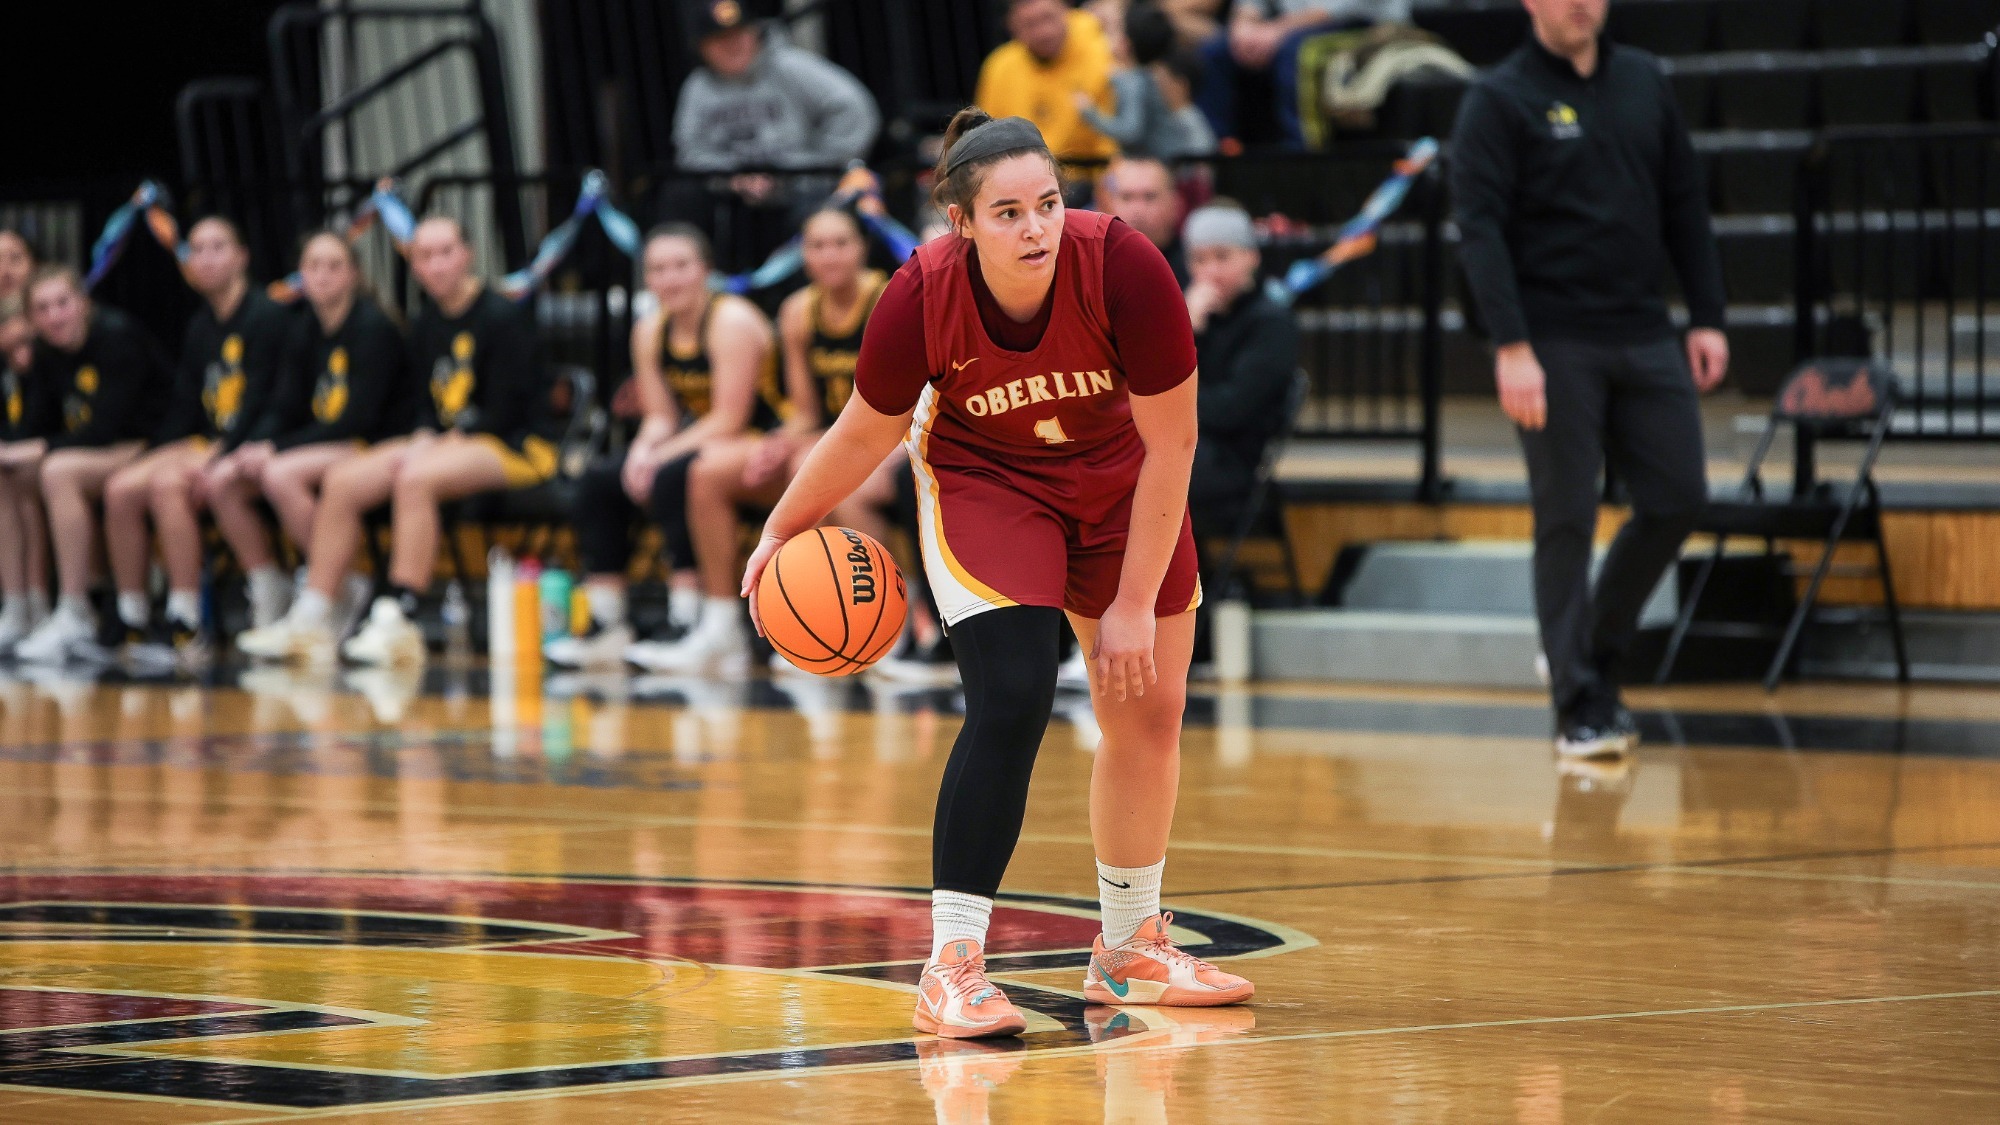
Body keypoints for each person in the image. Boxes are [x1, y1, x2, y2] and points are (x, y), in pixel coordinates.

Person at [740, 110, 1254, 1039]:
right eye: (1010, 212)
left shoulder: (1125, 266)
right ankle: (952, 965)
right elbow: (866, 428)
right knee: (1013, 694)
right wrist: (783, 526)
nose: (1037, 229)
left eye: (1049, 204)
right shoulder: (919, 295)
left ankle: (1128, 947)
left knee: (1150, 706)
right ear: (960, 222)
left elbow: (1174, 440)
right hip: (990, 481)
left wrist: (1133, 602)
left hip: (1123, 481)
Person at [1450, 0, 1726, 758]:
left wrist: (1706, 313)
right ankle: (1578, 705)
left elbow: (1684, 202)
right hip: (1553, 340)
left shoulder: (1643, 79)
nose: (1582, 5)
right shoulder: (1498, 98)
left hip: (1643, 329)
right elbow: (1480, 230)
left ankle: (1591, 656)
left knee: (1677, 497)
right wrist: (1510, 345)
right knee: (1567, 514)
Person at [247, 217, 555, 667]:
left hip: (517, 445)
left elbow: (506, 412)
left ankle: (398, 617)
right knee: (344, 478)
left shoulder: (502, 316)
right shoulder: (427, 321)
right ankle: (314, 613)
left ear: (468, 255)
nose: (436, 265)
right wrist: (428, 436)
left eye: (445, 252)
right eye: (424, 256)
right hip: (449, 440)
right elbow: (427, 405)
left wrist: (437, 442)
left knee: (414, 476)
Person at [545, 224, 777, 669]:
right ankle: (607, 620)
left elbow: (732, 417)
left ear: (706, 270)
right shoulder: (650, 329)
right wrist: (642, 450)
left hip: (762, 441)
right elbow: (661, 417)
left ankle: (690, 618)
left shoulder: (731, 321)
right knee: (599, 479)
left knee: (677, 473)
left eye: (681, 267)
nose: (670, 279)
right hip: (706, 440)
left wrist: (660, 456)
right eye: (657, 269)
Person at [99, 217, 291, 665]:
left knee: (169, 483)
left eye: (216, 247)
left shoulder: (267, 317)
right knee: (121, 487)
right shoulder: (202, 325)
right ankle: (133, 615)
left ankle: (186, 620)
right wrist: (156, 452)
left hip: (250, 441)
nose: (204, 258)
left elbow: (265, 401)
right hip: (208, 441)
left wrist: (215, 457)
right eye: (196, 249)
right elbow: (184, 409)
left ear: (242, 256)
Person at [220, 233, 408, 660]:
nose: (322, 276)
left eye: (334, 266)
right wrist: (256, 444)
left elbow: (356, 419)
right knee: (226, 480)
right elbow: (282, 404)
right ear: (300, 275)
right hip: (321, 444)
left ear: (355, 274)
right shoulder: (303, 327)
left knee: (279, 472)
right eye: (313, 266)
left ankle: (334, 590)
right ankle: (271, 593)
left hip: (372, 443)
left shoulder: (373, 328)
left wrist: (277, 449)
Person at [10, 267, 171, 664]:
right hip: (97, 449)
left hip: (151, 444)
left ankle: (75, 608)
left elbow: (104, 429)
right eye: (42, 309)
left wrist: (37, 448)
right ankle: (21, 607)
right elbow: (35, 423)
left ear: (83, 303)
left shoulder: (118, 336)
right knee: (9, 474)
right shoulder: (46, 352)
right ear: (31, 318)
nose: (54, 316)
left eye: (62, 303)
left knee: (57, 470)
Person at [662, 0, 881, 270]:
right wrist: (732, 178)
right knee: (680, 195)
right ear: (702, 47)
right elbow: (691, 151)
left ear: (756, 33)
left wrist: (815, 164)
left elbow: (855, 110)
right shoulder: (698, 88)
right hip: (730, 194)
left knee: (816, 216)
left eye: (740, 34)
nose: (734, 45)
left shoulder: (790, 67)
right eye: (720, 39)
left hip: (799, 187)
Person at [1182, 202, 1297, 515]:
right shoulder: (1195, 316)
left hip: (1232, 463)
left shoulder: (1271, 323)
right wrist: (1187, 331)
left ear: (1251, 257)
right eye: (1199, 259)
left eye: (1222, 256)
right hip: (1189, 447)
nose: (1210, 271)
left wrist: (1168, 402)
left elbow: (1230, 411)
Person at [1196, 0, 1413, 148]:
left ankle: (1298, 156)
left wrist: (1276, 31)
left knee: (1296, 53)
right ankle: (1222, 151)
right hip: (1282, 25)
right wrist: (1243, 24)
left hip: (1367, 24)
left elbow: (1341, 7)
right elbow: (1251, 5)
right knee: (1213, 51)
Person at [974, 0, 1120, 165]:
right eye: (1030, 24)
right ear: (1012, 26)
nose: (1044, 32)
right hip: (1027, 175)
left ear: (1066, 10)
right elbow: (988, 141)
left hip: (1096, 172)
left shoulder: (1104, 47)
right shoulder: (999, 67)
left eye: (1048, 18)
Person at [1077, 3, 1217, 162]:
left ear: (1126, 43)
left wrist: (1091, 114)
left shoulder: (1137, 81)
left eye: (1116, 29)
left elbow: (1131, 132)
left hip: (1166, 165)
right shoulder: (1143, 76)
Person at [0, 294, 52, 654]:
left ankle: (38, 605)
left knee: (24, 483)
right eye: (10, 342)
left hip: (58, 456)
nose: (20, 351)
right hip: (27, 459)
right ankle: (16, 603)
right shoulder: (7, 376)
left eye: (26, 341)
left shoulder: (50, 367)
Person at [1101, 155, 1188, 284]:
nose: (1137, 210)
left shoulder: (1193, 266)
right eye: (1127, 197)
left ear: (1175, 204)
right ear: (1109, 204)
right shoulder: (1091, 264)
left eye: (1149, 197)